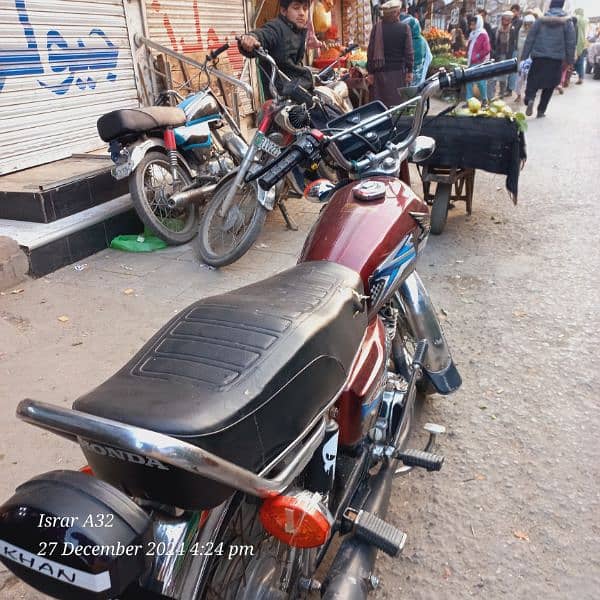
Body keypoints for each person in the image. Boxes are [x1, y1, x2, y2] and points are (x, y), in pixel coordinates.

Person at [238, 0, 313, 99]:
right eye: (296, 8)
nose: (302, 13)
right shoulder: (277, 27)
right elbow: (264, 34)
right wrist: (251, 38)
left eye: (305, 8)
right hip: (281, 97)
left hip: (296, 91)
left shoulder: (297, 31)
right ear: (283, 11)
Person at [521, 0, 575, 118]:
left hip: (539, 57)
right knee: (550, 84)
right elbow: (570, 43)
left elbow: (530, 38)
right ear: (562, 6)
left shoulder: (540, 20)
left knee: (533, 80)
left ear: (550, 6)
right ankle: (541, 110)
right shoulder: (567, 22)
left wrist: (524, 57)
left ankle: (530, 98)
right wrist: (570, 61)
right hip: (556, 59)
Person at [367, 0, 414, 106]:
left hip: (379, 76)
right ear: (397, 13)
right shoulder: (405, 28)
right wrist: (410, 70)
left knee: (380, 108)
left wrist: (370, 72)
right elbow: (409, 53)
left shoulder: (376, 28)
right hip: (398, 75)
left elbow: (370, 52)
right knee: (396, 108)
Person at [400, 5, 432, 85]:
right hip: (419, 79)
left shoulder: (404, 41)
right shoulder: (423, 40)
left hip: (404, 79)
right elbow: (429, 58)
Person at [466, 15, 491, 106]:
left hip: (480, 62)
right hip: (471, 62)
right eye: (471, 24)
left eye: (473, 25)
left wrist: (477, 56)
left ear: (478, 24)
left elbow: (487, 49)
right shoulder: (472, 34)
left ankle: (484, 100)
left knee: (481, 82)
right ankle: (469, 100)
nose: (471, 27)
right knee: (468, 81)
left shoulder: (483, 35)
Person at [491, 12, 514, 98]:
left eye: (507, 20)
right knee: (494, 75)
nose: (505, 21)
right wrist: (493, 53)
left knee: (503, 76)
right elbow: (493, 43)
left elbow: (512, 45)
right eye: (504, 19)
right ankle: (492, 93)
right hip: (497, 55)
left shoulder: (512, 31)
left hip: (506, 55)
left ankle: (502, 92)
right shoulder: (496, 30)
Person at [515, 14, 536, 102]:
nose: (528, 26)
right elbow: (519, 46)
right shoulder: (521, 31)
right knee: (519, 78)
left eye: (530, 24)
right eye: (526, 24)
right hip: (522, 57)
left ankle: (527, 96)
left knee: (529, 79)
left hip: (531, 58)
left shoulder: (536, 33)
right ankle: (518, 94)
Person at [508, 4, 523, 95]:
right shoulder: (510, 21)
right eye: (512, 11)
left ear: (518, 12)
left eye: (514, 11)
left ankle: (510, 88)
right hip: (508, 47)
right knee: (507, 68)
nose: (513, 13)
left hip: (515, 47)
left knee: (513, 68)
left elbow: (515, 33)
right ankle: (507, 87)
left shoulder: (519, 22)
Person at [573, 8, 588, 84]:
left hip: (576, 41)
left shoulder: (576, 18)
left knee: (572, 60)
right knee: (581, 61)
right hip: (583, 42)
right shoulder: (586, 20)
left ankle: (566, 79)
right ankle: (581, 77)